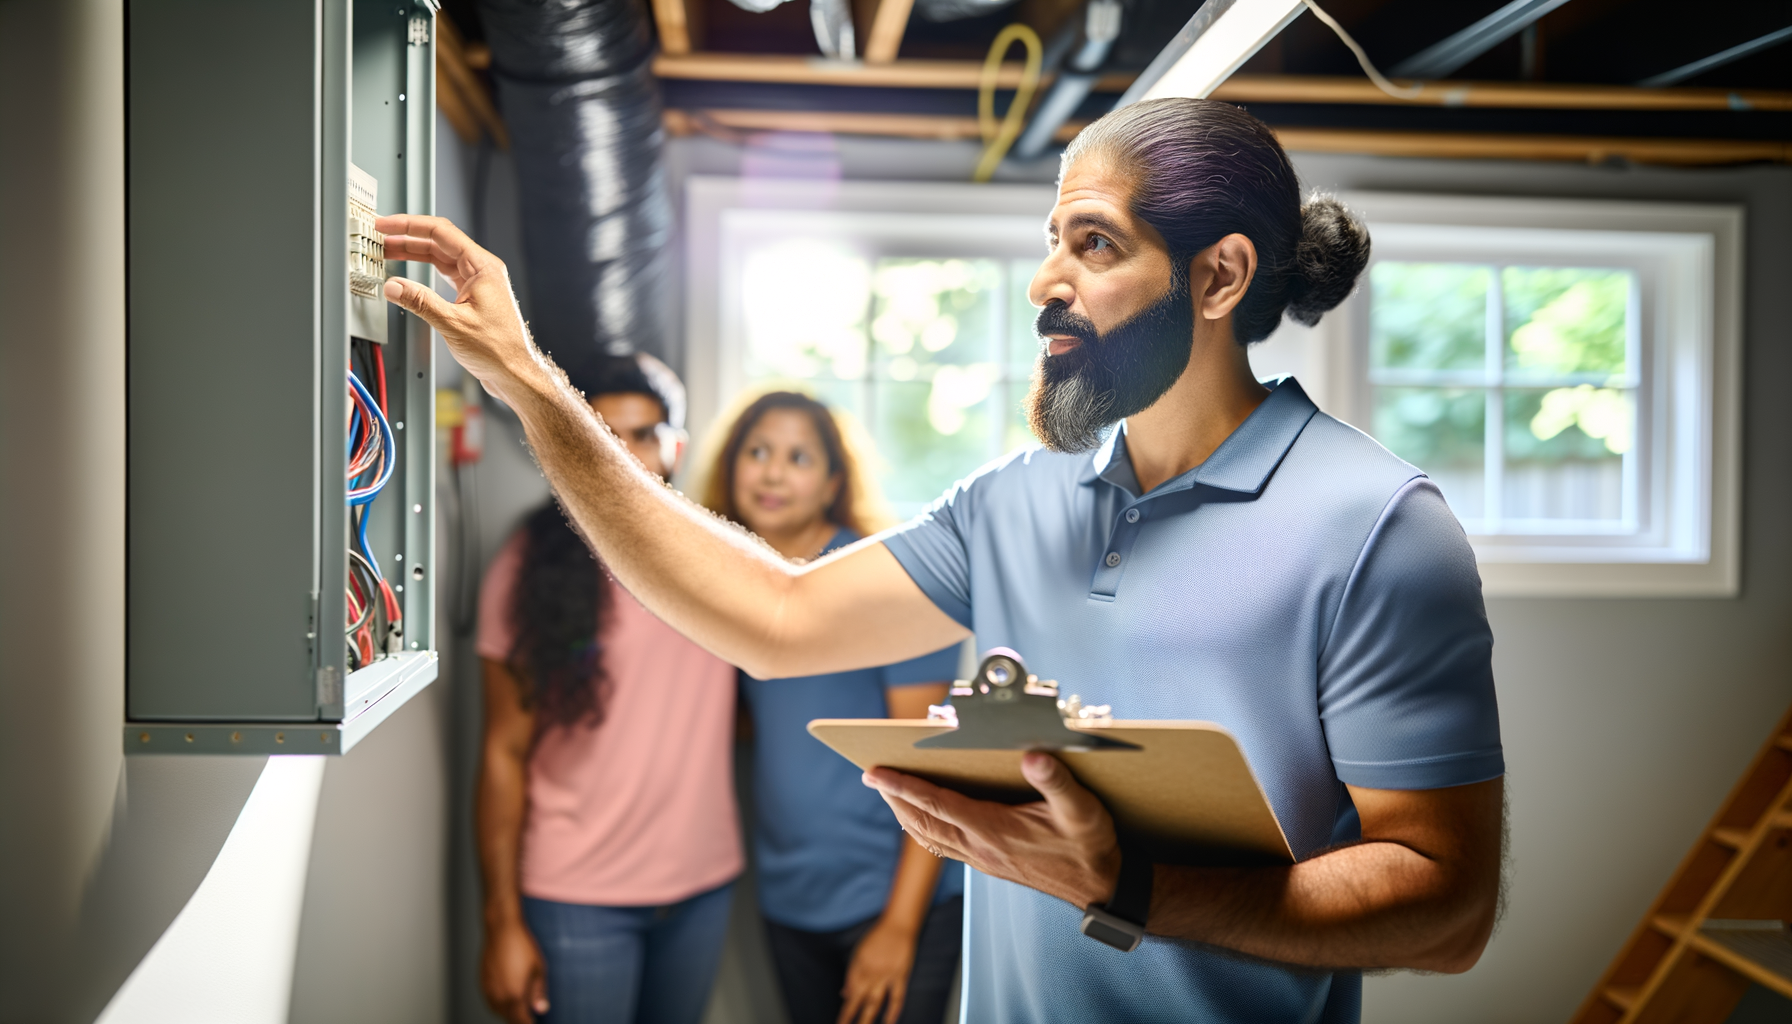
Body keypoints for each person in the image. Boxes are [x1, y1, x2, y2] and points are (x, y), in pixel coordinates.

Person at [383, 96, 1505, 1024]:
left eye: (1095, 243)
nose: (1044, 282)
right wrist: (532, 387)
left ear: (1217, 279)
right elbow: (773, 618)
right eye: (1052, 239)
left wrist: (1129, 884)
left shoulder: (1376, 527)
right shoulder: (1012, 504)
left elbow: (1443, 907)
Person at [474, 353, 739, 1024]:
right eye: (603, 435)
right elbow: (503, 754)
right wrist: (503, 922)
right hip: (576, 892)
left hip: (702, 883)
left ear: (673, 447)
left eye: (645, 435)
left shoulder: (722, 559)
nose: (625, 456)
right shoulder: (526, 566)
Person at [698, 391, 963, 1024]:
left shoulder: (882, 586)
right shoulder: (730, 587)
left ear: (832, 483)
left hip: (898, 900)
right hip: (788, 900)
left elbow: (933, 770)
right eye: (756, 452)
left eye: (798, 457)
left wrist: (899, 929)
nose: (771, 472)